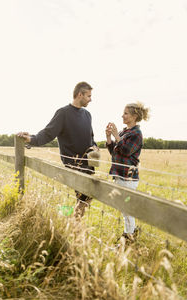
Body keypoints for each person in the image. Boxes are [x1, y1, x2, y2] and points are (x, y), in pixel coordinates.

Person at [17, 81, 99, 219]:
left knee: (86, 198)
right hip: (73, 164)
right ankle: (72, 223)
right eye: (88, 96)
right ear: (80, 94)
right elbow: (48, 133)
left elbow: (90, 136)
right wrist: (30, 139)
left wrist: (94, 145)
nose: (91, 99)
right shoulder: (63, 113)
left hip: (88, 163)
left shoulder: (87, 115)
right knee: (85, 197)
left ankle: (73, 224)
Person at [105, 102, 149, 243]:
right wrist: (108, 138)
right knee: (124, 208)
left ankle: (128, 236)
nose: (122, 115)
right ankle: (131, 233)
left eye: (125, 113)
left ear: (134, 116)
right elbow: (114, 152)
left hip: (128, 177)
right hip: (119, 174)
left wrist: (116, 136)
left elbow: (126, 151)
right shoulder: (125, 132)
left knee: (127, 209)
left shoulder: (137, 133)